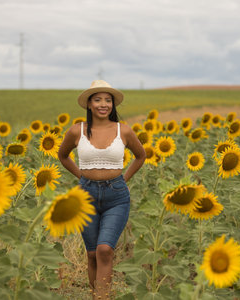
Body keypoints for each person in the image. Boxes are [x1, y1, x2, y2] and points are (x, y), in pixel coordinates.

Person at [58, 80, 146, 299]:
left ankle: (102, 297)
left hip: (116, 196)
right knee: (91, 254)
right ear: (89, 104)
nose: (103, 104)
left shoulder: (123, 130)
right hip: (85, 195)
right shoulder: (77, 130)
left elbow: (141, 155)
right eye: (97, 100)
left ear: (113, 105)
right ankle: (95, 295)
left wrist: (124, 178)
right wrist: (82, 176)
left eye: (108, 100)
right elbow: (62, 155)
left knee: (105, 250)